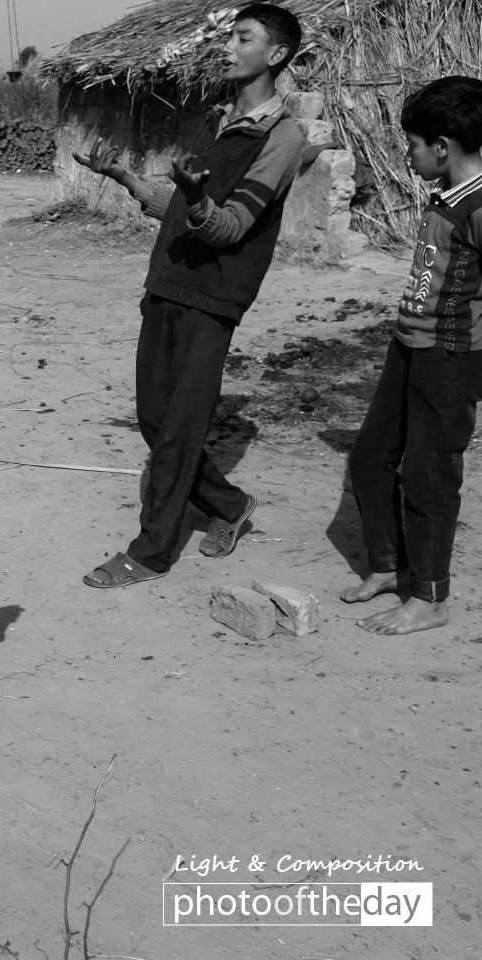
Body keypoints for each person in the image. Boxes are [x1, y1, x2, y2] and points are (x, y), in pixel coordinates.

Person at [72, 3, 304, 588]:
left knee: (179, 429)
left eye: (242, 38)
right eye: (229, 37)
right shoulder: (215, 119)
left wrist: (196, 200)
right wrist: (124, 179)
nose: (227, 47)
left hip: (212, 299)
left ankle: (150, 553)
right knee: (154, 421)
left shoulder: (281, 137)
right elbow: (179, 203)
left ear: (275, 55)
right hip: (166, 286)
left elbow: (228, 226)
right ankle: (228, 507)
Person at [341, 76, 482, 635]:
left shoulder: (478, 206)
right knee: (370, 456)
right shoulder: (447, 194)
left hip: (450, 357)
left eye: (413, 144)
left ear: (442, 147)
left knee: (428, 473)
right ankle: (389, 566)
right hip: (410, 345)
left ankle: (429, 597)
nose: (408, 153)